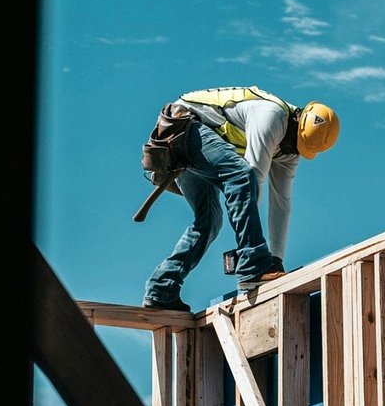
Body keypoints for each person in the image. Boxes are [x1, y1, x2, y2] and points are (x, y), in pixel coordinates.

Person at [142, 85, 340, 311]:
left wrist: (276, 260)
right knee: (241, 174)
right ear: (297, 120)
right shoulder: (272, 116)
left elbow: (281, 204)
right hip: (182, 127)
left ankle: (161, 289)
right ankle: (253, 263)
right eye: (292, 142)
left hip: (195, 140)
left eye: (297, 148)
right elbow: (251, 178)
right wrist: (255, 261)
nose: (290, 150)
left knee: (208, 222)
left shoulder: (290, 150)